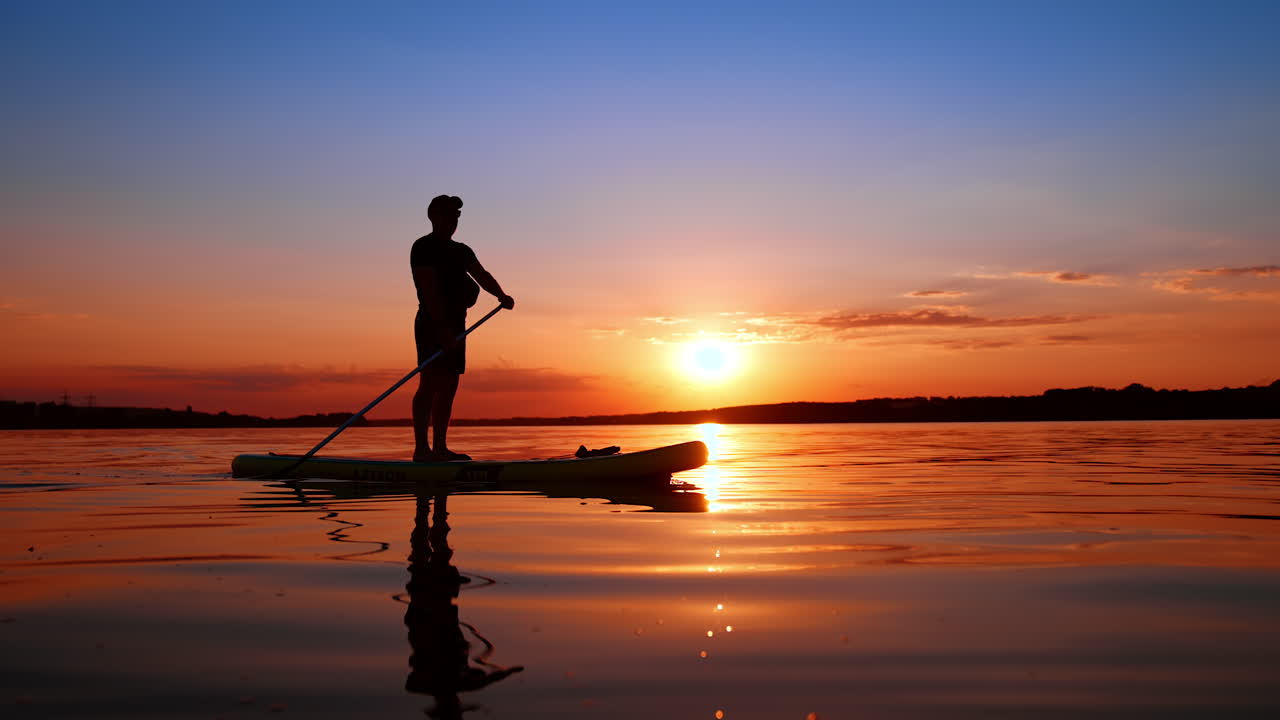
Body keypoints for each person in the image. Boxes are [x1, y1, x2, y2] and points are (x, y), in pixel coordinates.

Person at [411, 195, 514, 462]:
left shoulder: (462, 251)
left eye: (456, 216)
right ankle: (422, 450)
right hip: (431, 323)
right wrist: (443, 330)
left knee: (449, 385)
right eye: (447, 215)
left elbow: (482, 275)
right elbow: (429, 292)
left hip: (458, 324)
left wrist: (501, 295)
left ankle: (440, 448)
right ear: (433, 216)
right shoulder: (423, 247)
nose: (453, 220)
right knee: (430, 382)